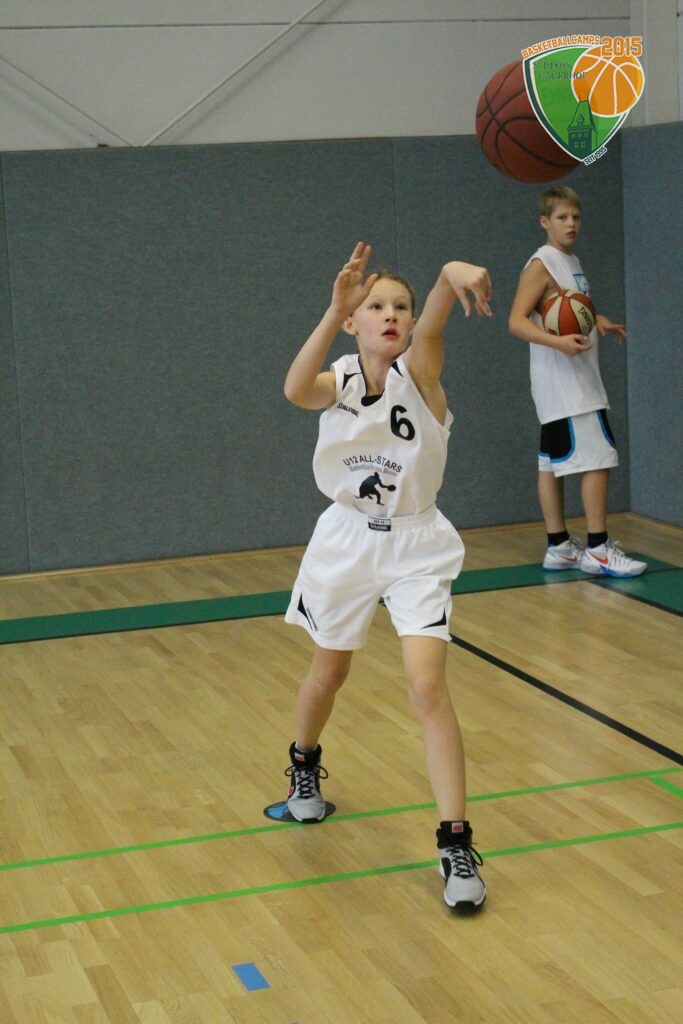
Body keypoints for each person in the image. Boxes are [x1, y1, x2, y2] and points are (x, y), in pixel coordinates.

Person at [282, 241, 492, 911]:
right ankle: (303, 763)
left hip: (416, 545)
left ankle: (455, 842)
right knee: (328, 674)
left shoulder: (421, 373)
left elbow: (433, 327)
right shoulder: (339, 378)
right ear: (354, 321)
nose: (391, 315)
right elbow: (294, 391)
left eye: (400, 306)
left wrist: (446, 278)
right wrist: (331, 309)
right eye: (375, 307)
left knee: (427, 685)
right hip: (345, 542)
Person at [508, 186, 646, 578]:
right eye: (562, 217)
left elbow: (566, 309)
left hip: (564, 383)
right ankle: (599, 549)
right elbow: (515, 321)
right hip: (569, 384)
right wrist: (558, 343)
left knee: (550, 465)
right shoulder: (542, 263)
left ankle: (559, 547)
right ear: (545, 221)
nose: (571, 224)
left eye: (576, 217)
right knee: (599, 459)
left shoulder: (570, 260)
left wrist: (597, 320)